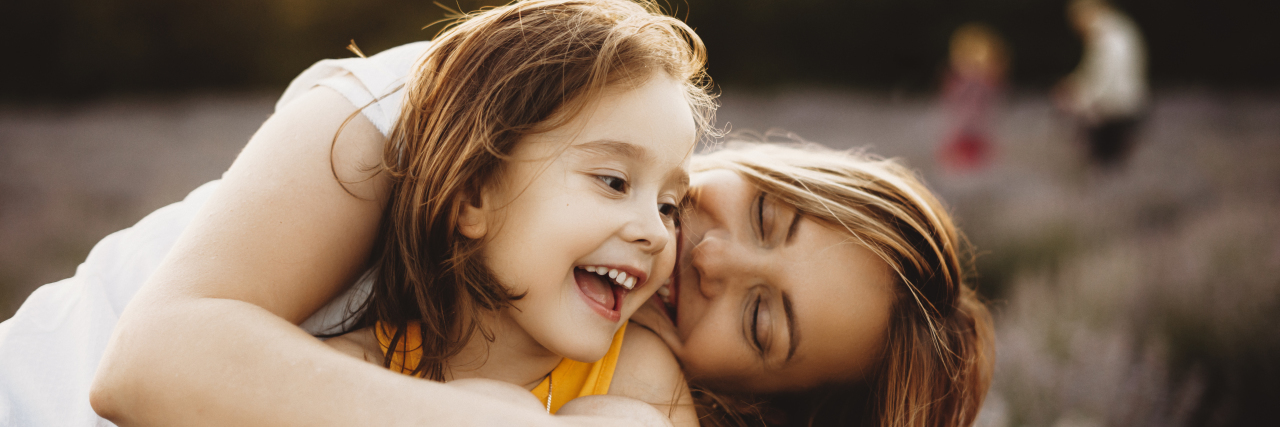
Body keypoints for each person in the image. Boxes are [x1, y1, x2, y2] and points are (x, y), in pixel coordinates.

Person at [0, 2, 993, 426]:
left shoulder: (619, 364)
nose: (708, 256)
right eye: (766, 213)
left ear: (754, 395)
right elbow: (144, 368)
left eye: (761, 317)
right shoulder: (453, 108)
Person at [1054, 0, 1148, 168]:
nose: (1075, 28)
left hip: (1114, 110)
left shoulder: (1108, 36)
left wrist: (1078, 97)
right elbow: (1094, 71)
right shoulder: (1117, 29)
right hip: (1122, 105)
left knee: (1107, 164)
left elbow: (1108, 78)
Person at [938, 23, 1009, 171]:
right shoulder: (957, 82)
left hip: (979, 134)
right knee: (958, 168)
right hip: (960, 133)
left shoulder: (988, 84)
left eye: (978, 62)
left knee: (979, 168)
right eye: (967, 60)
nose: (973, 67)